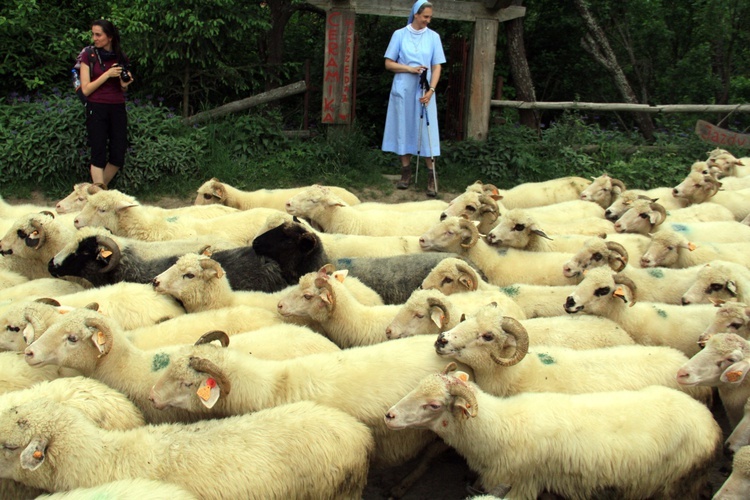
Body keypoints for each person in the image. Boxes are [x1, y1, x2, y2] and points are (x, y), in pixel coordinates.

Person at [382, 0, 446, 197]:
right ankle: (406, 172)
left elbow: (437, 66)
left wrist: (432, 89)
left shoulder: (433, 37)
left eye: (430, 17)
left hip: (424, 90)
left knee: (427, 130)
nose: (428, 20)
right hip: (403, 88)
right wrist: (409, 68)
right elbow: (388, 64)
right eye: (425, 16)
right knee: (403, 126)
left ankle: (431, 176)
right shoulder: (399, 35)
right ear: (416, 15)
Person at [79, 19, 134, 188]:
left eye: (98, 34)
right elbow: (86, 89)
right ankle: (100, 198)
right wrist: (107, 74)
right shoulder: (88, 55)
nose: (94, 38)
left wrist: (125, 84)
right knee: (98, 154)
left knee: (118, 155)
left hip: (117, 106)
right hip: (96, 106)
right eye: (93, 34)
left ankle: (97, 192)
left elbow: (122, 88)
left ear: (109, 37)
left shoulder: (120, 56)